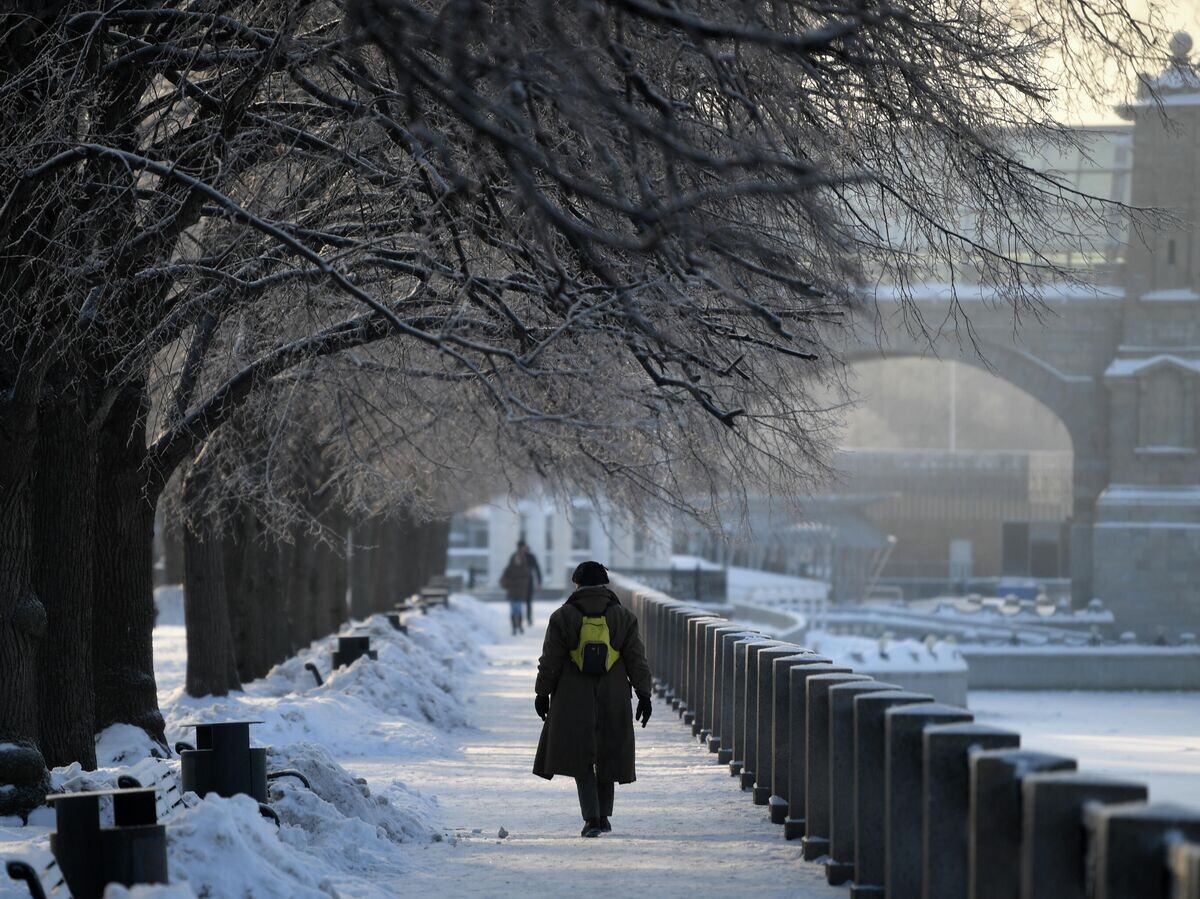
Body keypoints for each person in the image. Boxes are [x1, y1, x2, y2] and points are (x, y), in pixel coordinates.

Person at [532, 561, 653, 837]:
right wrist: (644, 694)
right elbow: (637, 659)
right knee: (607, 752)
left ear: (576, 584)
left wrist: (542, 693)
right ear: (605, 585)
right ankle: (605, 816)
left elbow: (549, 660)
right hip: (614, 693)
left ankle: (591, 818)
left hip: (573, 695)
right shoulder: (623, 617)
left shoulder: (563, 616)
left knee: (582, 756)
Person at [500, 539, 542, 629]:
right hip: (517, 584)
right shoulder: (514, 556)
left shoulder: (530, 556)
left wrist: (539, 581)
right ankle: (517, 622)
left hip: (528, 582)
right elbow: (508, 570)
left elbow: (537, 569)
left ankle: (528, 619)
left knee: (528, 601)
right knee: (517, 603)